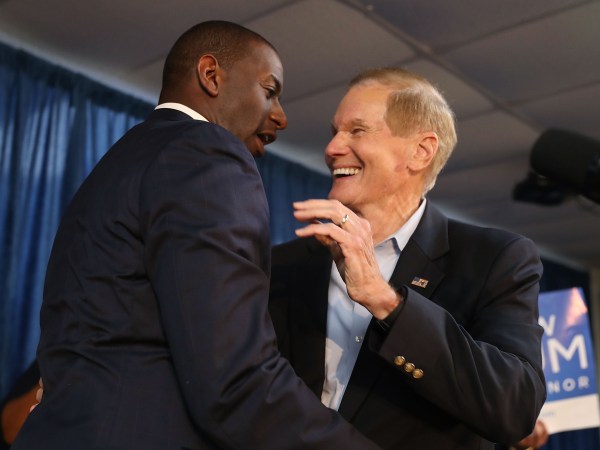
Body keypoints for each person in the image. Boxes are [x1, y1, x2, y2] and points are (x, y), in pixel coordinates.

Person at [11, 21, 380, 449]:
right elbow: (236, 381)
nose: (281, 116)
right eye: (269, 90)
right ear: (211, 75)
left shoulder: (120, 162)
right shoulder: (208, 154)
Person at [268, 67, 546, 449]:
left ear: (420, 152)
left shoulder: (496, 259)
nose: (332, 149)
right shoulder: (282, 265)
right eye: (335, 132)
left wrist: (385, 301)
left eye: (357, 131)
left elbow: (514, 407)